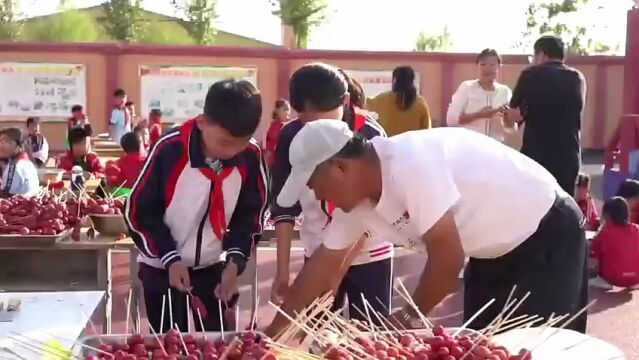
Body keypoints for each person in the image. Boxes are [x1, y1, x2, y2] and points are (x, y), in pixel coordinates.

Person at [266, 120, 588, 337]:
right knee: (480, 348)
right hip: (489, 253)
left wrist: (407, 316)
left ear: (340, 167)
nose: (317, 196)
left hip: (545, 232)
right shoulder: (356, 205)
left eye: (314, 184)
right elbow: (320, 270)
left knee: (534, 348)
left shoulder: (410, 163)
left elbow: (447, 257)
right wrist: (269, 341)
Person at [124, 79, 268, 333]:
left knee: (217, 340)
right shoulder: (169, 150)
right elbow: (139, 212)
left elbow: (250, 215)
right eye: (224, 143)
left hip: (213, 266)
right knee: (169, 342)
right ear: (201, 122)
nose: (233, 151)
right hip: (162, 265)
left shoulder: (250, 156)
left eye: (242, 142)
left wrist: (235, 263)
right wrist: (170, 257)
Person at [269, 63, 393, 321]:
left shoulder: (370, 134)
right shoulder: (290, 136)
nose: (314, 129)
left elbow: (371, 207)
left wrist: (336, 271)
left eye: (323, 120)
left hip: (368, 252)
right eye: (305, 121)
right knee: (314, 337)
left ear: (346, 101)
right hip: (316, 250)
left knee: (371, 337)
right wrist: (282, 273)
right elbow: (284, 207)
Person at [505, 35, 586, 196]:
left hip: (537, 155)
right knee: (563, 209)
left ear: (541, 54)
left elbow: (514, 114)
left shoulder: (530, 74)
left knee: (534, 208)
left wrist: (511, 114)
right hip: (568, 156)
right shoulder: (578, 78)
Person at [447, 49, 514, 140]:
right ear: (477, 66)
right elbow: (451, 121)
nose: (487, 68)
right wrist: (479, 115)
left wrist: (508, 117)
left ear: (499, 67)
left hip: (495, 146)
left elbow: (510, 128)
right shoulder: (467, 87)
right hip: (469, 144)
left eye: (492, 65)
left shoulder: (505, 91)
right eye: (483, 64)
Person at [589, 196, 639, 290]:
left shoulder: (606, 231)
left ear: (607, 215)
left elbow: (594, 250)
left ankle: (603, 279)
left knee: (594, 259)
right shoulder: (636, 229)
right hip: (636, 278)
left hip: (613, 278)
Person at [366, 65, 431, 135]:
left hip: (389, 144)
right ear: (412, 81)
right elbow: (426, 130)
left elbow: (365, 104)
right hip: (412, 145)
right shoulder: (420, 103)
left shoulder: (382, 99)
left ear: (395, 80)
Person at [0, 128, 39, 197]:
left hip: (16, 206)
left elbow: (7, 195)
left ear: (19, 146)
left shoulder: (14, 166)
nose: (0, 145)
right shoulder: (29, 163)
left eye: (5, 141)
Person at [263, 99, 291, 169]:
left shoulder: (291, 125)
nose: (287, 112)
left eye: (288, 109)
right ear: (277, 111)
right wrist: (266, 151)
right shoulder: (271, 125)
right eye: (284, 109)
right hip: (273, 160)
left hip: (287, 159)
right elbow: (265, 138)